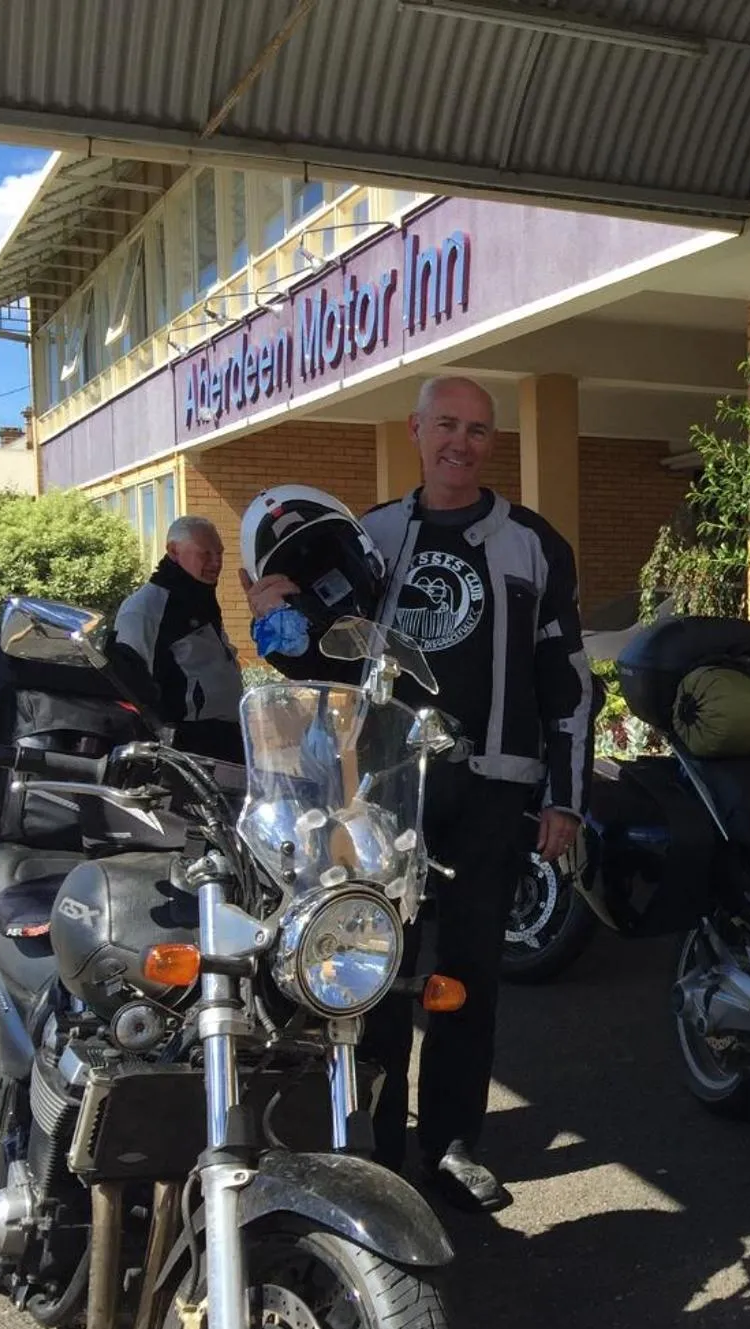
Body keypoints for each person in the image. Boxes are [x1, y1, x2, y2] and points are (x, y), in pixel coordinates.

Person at [244, 375, 593, 1212]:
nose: (461, 443)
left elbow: (570, 684)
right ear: (415, 430)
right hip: (383, 793)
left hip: (489, 793)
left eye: (478, 430)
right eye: (447, 425)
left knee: (467, 979)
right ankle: (373, 1150)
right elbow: (315, 664)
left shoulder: (533, 545)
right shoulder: (367, 537)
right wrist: (269, 615)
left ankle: (453, 1147)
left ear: (491, 443)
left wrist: (565, 798)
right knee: (372, 968)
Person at [111, 514, 245, 762]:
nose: (216, 562)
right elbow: (132, 691)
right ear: (173, 551)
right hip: (187, 748)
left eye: (220, 553)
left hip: (227, 738)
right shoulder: (144, 608)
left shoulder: (199, 597)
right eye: (206, 554)